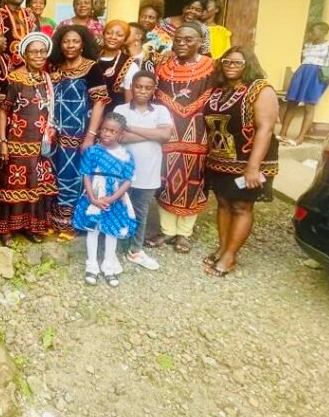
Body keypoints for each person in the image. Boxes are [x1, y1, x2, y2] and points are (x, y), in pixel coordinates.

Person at [203, 47, 280, 277]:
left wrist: (253, 167)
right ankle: (222, 248)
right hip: (220, 159)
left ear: (249, 65)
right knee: (224, 203)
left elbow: (265, 129)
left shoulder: (260, 89)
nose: (231, 66)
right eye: (227, 62)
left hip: (249, 161)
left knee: (241, 206)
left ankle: (230, 256)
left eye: (237, 62)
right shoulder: (219, 89)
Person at [152, 23, 215, 253]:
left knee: (193, 179)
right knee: (166, 177)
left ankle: (184, 233)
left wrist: (187, 110)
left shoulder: (211, 67)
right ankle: (167, 230)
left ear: (200, 42)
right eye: (178, 39)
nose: (181, 43)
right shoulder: (163, 65)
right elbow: (155, 93)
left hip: (197, 131)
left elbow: (212, 96)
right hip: (167, 130)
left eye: (188, 40)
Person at [0, 32, 57, 244]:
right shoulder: (15, 78)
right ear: (25, 55)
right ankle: (6, 230)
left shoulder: (46, 78)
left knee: (33, 184)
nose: (39, 55)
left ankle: (28, 226)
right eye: (33, 52)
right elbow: (3, 111)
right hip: (16, 142)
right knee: (13, 184)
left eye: (42, 51)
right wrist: (3, 142)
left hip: (39, 144)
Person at [49, 24, 109, 236]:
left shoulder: (91, 68)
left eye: (75, 41)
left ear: (83, 44)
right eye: (66, 41)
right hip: (54, 134)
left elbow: (99, 102)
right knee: (54, 175)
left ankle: (72, 223)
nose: (70, 45)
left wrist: (90, 136)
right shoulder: (55, 68)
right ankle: (55, 220)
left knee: (74, 177)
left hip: (78, 133)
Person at [71, 113, 138, 287]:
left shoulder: (126, 155)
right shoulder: (92, 151)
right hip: (93, 195)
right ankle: (92, 266)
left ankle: (109, 267)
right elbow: (86, 174)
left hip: (114, 198)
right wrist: (92, 198)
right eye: (105, 129)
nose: (107, 133)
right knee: (92, 230)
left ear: (121, 134)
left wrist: (112, 198)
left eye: (112, 131)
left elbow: (128, 180)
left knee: (111, 232)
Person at [114, 70, 171, 271]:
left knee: (141, 213)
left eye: (147, 88)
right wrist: (153, 134)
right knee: (117, 210)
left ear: (154, 90)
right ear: (132, 87)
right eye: (138, 86)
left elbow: (165, 135)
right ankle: (112, 250)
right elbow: (120, 137)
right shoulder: (120, 109)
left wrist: (131, 128)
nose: (142, 91)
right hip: (122, 173)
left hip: (148, 173)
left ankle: (135, 250)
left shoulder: (161, 111)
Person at [279, 21, 329, 146]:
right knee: (291, 103)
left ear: (323, 32)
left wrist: (327, 72)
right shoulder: (307, 45)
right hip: (301, 75)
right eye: (310, 32)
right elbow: (304, 62)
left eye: (313, 32)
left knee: (309, 106)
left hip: (317, 77)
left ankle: (300, 138)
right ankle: (282, 133)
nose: (310, 34)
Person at [94, 20, 131, 111]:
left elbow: (129, 104)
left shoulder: (129, 64)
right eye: (109, 33)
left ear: (125, 39)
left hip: (112, 115)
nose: (113, 37)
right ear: (103, 34)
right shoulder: (92, 57)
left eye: (119, 35)